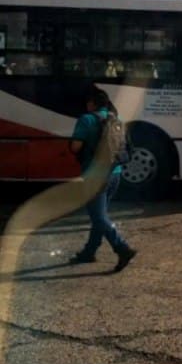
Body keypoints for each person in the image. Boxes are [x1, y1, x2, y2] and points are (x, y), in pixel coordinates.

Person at [69, 87, 137, 272]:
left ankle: (122, 248)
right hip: (115, 174)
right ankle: (89, 252)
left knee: (98, 217)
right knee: (100, 215)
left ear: (92, 103)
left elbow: (75, 147)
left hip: (95, 176)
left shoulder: (86, 119)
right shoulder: (117, 120)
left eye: (88, 101)